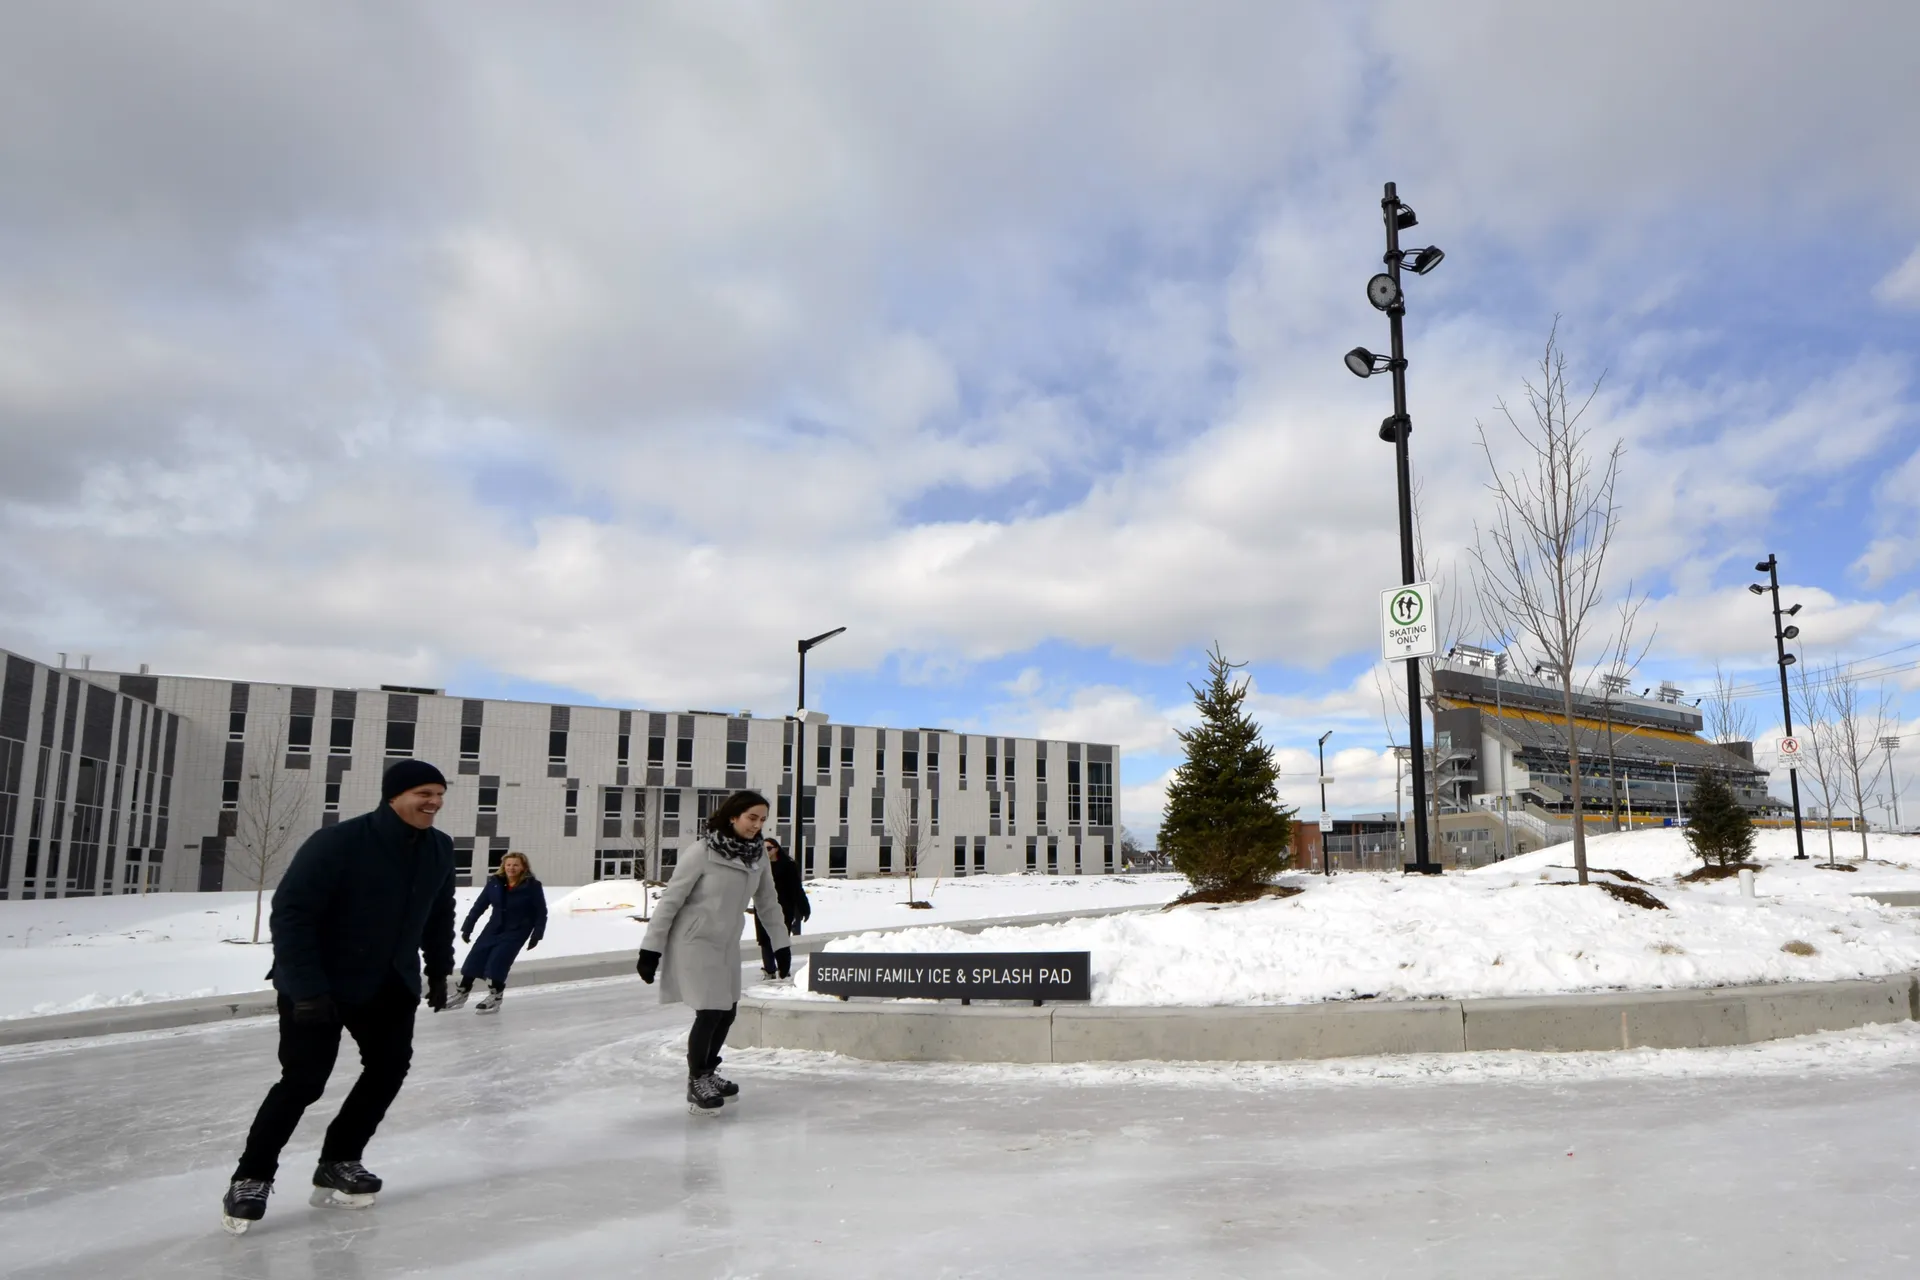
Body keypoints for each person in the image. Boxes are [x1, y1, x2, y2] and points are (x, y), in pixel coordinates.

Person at [220, 760, 457, 1236]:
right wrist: (307, 990)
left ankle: (339, 1160)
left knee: (389, 1068)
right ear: (394, 795)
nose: (433, 803)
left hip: (389, 982)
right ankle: (251, 1177)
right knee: (304, 1082)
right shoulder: (340, 842)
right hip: (320, 983)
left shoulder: (438, 846)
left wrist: (437, 968)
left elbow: (439, 911)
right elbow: (291, 914)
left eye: (439, 794)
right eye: (423, 793)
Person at [636, 790, 789, 1115]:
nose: (757, 825)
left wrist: (781, 943)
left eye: (762, 820)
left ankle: (708, 1071)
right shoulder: (702, 852)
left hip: (726, 942)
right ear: (733, 816)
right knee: (709, 1010)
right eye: (752, 817)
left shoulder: (757, 856)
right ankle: (697, 1080)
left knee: (728, 1010)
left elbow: (768, 902)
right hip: (694, 940)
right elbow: (671, 900)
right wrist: (651, 948)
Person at [447, 851, 547, 1013]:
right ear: (503, 866)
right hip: (494, 927)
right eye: (508, 864)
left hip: (517, 929)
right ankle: (462, 993)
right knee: (475, 957)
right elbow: (479, 906)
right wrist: (468, 927)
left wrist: (537, 934)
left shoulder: (532, 886)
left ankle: (495, 996)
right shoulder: (495, 883)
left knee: (498, 961)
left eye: (515, 865)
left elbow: (541, 911)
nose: (511, 868)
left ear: (523, 867)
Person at [755, 837, 810, 979]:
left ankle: (784, 969)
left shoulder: (788, 865)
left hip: (783, 908)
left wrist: (804, 907)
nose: (766, 852)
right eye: (763, 849)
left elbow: (796, 888)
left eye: (769, 848)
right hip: (762, 907)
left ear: (776, 848)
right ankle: (769, 969)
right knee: (764, 939)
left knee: (780, 937)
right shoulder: (758, 865)